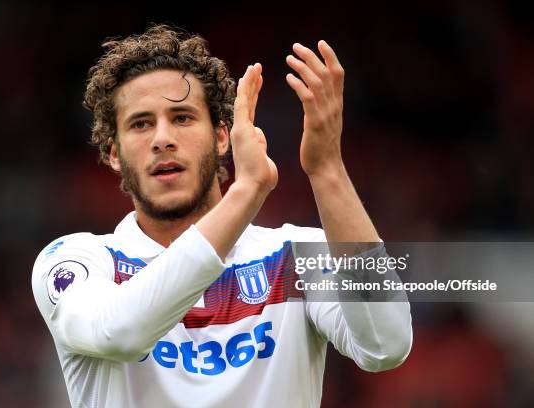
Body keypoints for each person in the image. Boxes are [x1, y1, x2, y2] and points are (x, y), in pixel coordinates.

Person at [31, 24, 412, 407]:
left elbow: (385, 344)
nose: (162, 138)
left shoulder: (294, 255)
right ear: (115, 153)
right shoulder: (76, 260)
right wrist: (248, 191)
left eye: (182, 118)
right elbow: (118, 332)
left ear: (221, 137)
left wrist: (327, 168)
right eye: (141, 123)